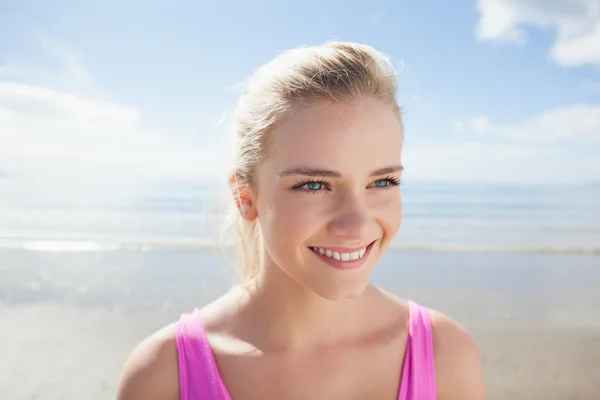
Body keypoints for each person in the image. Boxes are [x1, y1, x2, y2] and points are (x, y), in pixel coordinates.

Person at [116, 41, 486, 400]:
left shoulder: (444, 356)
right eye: (314, 184)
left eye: (382, 181)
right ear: (246, 198)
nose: (356, 225)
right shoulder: (161, 377)